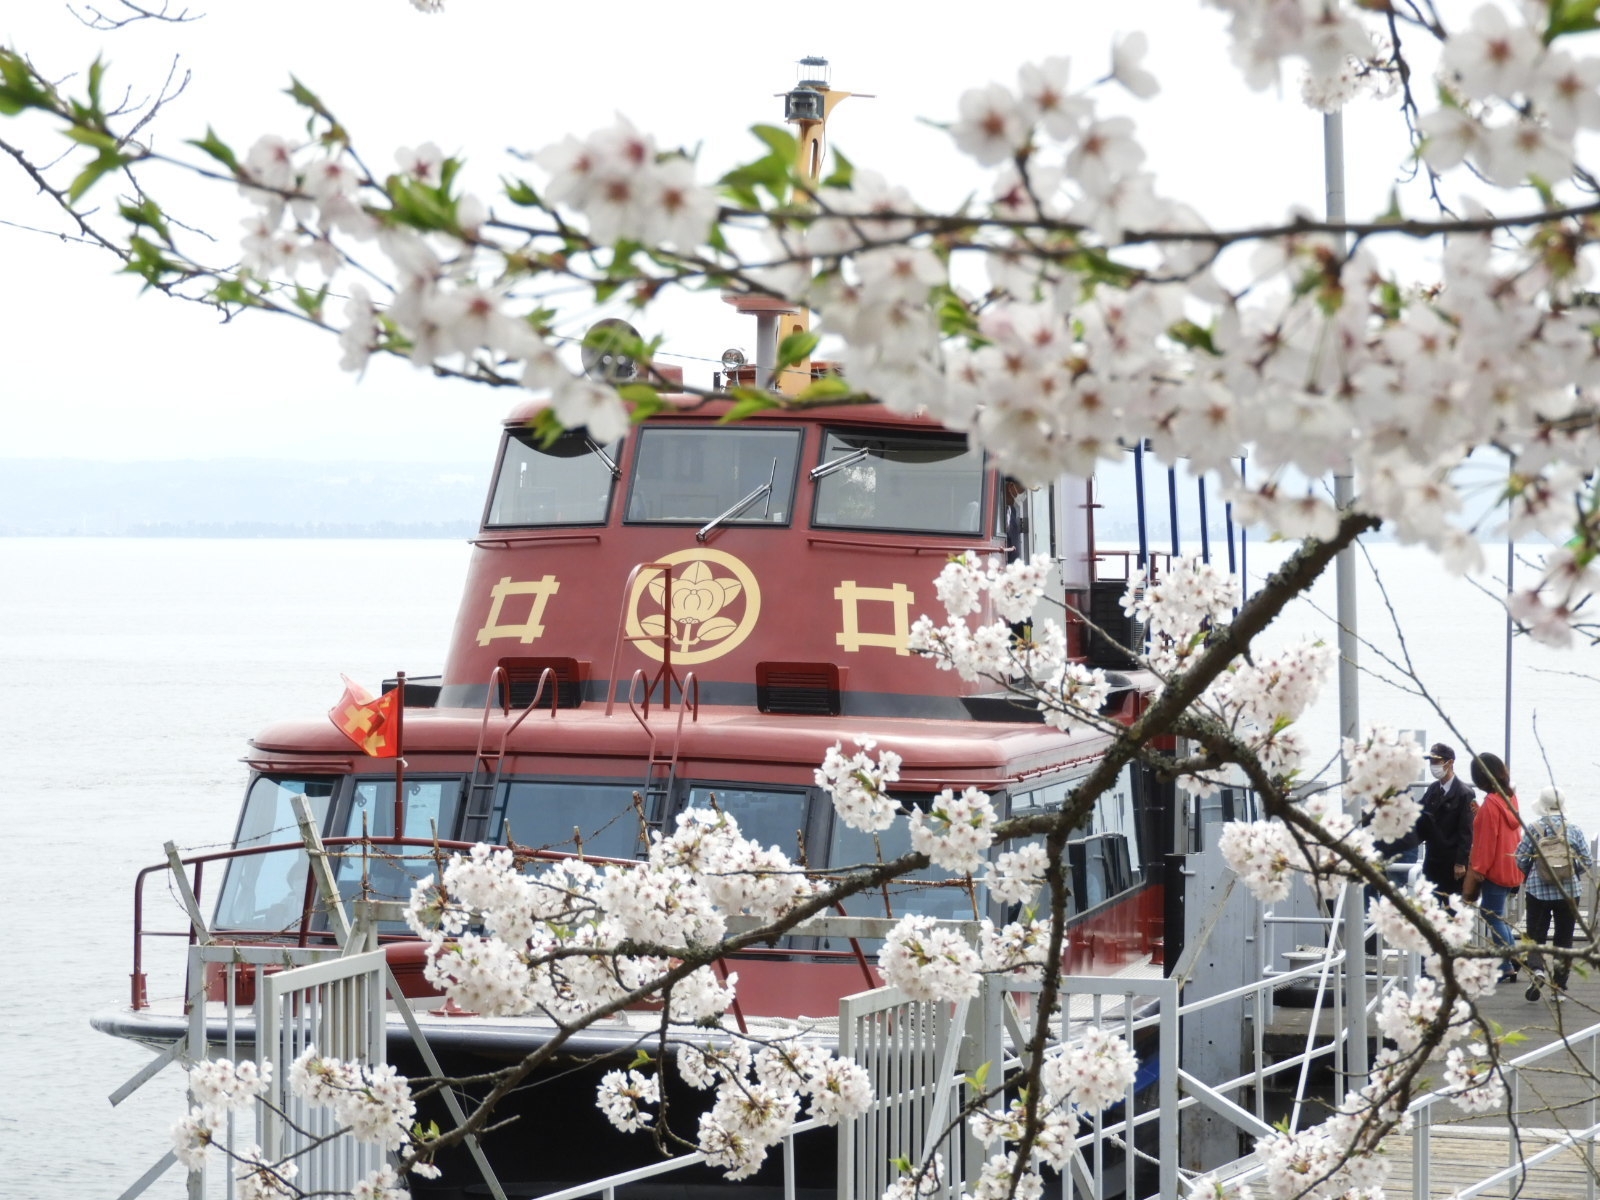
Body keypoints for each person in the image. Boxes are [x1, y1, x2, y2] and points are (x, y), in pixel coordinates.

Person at [1515, 786, 1591, 1001]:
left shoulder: (1533, 828)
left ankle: (1538, 970)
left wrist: (1532, 872)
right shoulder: (1573, 829)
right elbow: (1586, 860)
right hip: (1569, 892)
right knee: (1564, 939)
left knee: (1535, 937)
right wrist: (1570, 872)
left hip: (1537, 892)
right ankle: (1558, 988)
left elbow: (1520, 858)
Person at [1461, 752, 1526, 985]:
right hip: (1511, 864)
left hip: (1495, 868)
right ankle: (1512, 957)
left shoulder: (1491, 804)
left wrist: (1478, 869)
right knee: (1496, 914)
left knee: (1491, 915)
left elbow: (1487, 842)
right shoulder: (1509, 798)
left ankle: (1506, 964)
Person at [1415, 743, 1475, 897]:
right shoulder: (1433, 789)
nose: (1433, 765)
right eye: (1431, 762)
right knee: (1428, 905)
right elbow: (1420, 815)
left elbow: (1466, 831)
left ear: (1450, 762)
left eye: (1437, 761)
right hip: (1432, 858)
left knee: (1453, 907)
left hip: (1452, 862)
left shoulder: (1464, 793)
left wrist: (1461, 862)